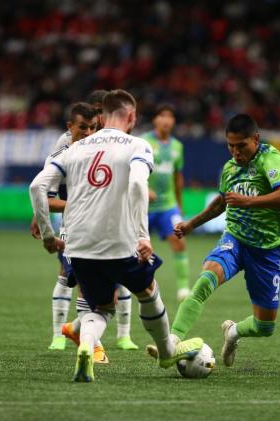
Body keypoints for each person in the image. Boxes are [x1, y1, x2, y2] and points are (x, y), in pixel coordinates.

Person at [29, 89, 203, 382]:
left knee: (102, 306)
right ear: (132, 116)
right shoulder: (138, 145)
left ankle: (86, 346)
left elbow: (37, 188)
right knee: (148, 291)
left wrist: (48, 236)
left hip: (78, 245)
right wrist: (143, 235)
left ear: (101, 116)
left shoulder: (75, 147)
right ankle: (166, 351)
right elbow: (137, 184)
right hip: (118, 243)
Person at [147, 113, 280, 367]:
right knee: (206, 278)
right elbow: (221, 202)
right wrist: (191, 224)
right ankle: (171, 342)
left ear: (256, 139)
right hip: (235, 239)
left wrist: (248, 201)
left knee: (265, 326)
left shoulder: (270, 158)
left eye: (241, 146)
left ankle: (233, 332)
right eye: (231, 146)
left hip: (266, 249)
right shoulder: (229, 168)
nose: (236, 152)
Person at [58, 90, 140, 352]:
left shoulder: (117, 142)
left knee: (109, 287)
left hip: (111, 225)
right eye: (89, 121)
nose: (97, 123)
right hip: (79, 226)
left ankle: (94, 335)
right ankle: (89, 345)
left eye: (97, 120)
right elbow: (44, 187)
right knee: (83, 284)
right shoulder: (68, 144)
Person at [29, 102, 107, 358]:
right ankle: (85, 344)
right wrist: (42, 220)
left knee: (109, 291)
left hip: (105, 227)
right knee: (75, 279)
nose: (87, 133)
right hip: (73, 228)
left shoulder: (103, 150)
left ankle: (79, 334)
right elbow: (43, 194)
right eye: (82, 127)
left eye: (92, 128)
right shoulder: (61, 155)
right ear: (70, 127)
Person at [141, 104, 190, 302]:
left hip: (168, 206)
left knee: (179, 241)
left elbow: (178, 177)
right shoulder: (143, 142)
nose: (166, 120)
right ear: (155, 120)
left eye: (170, 116)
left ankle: (184, 288)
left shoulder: (178, 146)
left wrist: (179, 204)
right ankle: (125, 287)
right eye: (162, 115)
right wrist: (144, 188)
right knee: (135, 250)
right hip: (143, 207)